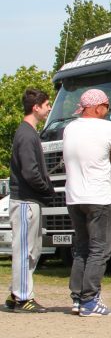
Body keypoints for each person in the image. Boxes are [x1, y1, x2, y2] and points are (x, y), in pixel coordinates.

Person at [63, 88, 111, 317]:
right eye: (106, 107)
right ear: (97, 107)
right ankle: (90, 300)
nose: (108, 111)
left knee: (81, 248)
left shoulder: (69, 128)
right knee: (100, 249)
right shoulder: (108, 128)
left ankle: (77, 298)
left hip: (73, 197)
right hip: (98, 197)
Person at [5, 88, 55, 313]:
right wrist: (47, 190)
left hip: (28, 201)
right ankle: (23, 296)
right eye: (46, 105)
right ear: (36, 107)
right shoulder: (26, 134)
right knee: (25, 251)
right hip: (25, 202)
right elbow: (30, 172)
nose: (49, 108)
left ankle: (17, 293)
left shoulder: (29, 132)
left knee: (31, 250)